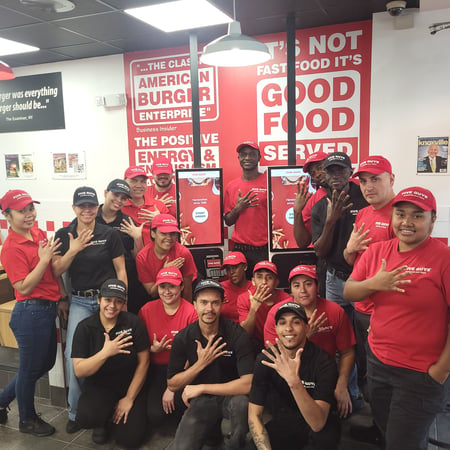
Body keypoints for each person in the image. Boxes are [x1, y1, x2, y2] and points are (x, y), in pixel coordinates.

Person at [344, 187, 450, 450]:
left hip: (420, 374)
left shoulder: (444, 258)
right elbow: (349, 290)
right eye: (400, 214)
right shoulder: (377, 251)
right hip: (379, 364)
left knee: (403, 443)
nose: (406, 222)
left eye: (417, 216)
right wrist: (375, 283)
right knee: (388, 432)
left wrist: (441, 370)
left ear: (432, 220)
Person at [52, 186, 127, 433]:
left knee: (110, 354)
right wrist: (74, 250)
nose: (87, 210)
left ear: (97, 207)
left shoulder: (109, 234)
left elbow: (121, 271)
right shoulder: (64, 234)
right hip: (80, 302)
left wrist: (122, 301)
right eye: (82, 206)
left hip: (108, 302)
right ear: (74, 208)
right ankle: (75, 413)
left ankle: (103, 412)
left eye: (91, 206)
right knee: (75, 356)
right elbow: (55, 271)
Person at [0, 190, 67, 437]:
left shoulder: (37, 233)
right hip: (30, 312)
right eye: (22, 211)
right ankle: (26, 420)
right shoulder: (10, 248)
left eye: (31, 208)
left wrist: (60, 295)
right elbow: (24, 287)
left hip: (47, 308)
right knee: (29, 370)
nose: (29, 215)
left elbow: (52, 271)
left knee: (45, 362)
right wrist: (43, 259)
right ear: (7, 215)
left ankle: (1, 400)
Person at [167, 279, 255, 450]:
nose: (209, 309)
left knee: (242, 405)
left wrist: (203, 387)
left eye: (215, 303)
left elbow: (248, 384)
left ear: (222, 304)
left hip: (232, 395)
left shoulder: (237, 334)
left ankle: (236, 445)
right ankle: (212, 435)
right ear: (194, 305)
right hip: (202, 401)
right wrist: (200, 364)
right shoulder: (184, 337)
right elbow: (172, 383)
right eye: (204, 303)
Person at [264, 265, 356, 418]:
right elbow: (273, 355)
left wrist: (342, 384)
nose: (303, 290)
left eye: (308, 284)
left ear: (318, 286)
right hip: (288, 375)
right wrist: (304, 338)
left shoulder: (335, 311)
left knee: (349, 408)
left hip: (323, 375)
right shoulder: (277, 312)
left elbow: (347, 352)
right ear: (290, 290)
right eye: (296, 285)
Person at [248, 302, 339, 450]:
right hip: (283, 421)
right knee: (253, 444)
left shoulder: (324, 362)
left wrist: (294, 382)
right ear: (276, 329)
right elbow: (254, 415)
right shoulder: (265, 359)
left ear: (307, 327)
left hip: (317, 422)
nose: (288, 328)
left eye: (296, 322)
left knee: (324, 440)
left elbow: (317, 423)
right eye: (282, 323)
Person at [72, 279, 150, 447]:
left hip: (130, 384)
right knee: (86, 418)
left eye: (118, 301)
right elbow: (79, 371)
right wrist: (105, 353)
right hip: (100, 385)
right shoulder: (85, 327)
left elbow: (144, 362)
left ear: (123, 304)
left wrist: (129, 398)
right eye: (108, 300)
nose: (112, 306)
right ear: (99, 300)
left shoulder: (133, 323)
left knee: (129, 441)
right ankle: (104, 419)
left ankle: (124, 415)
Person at [343, 156, 395, 394]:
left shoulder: (400, 215)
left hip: (384, 311)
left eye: (375, 179)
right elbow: (352, 260)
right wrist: (349, 249)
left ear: (391, 179)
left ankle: (390, 430)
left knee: (387, 375)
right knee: (370, 372)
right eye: (363, 181)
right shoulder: (363, 213)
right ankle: (378, 427)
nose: (368, 186)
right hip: (361, 306)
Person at [311, 151, 368, 319]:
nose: (336, 175)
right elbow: (320, 252)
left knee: (363, 327)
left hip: (362, 277)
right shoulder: (319, 207)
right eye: (331, 171)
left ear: (350, 172)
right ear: (325, 174)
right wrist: (331, 221)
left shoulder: (365, 198)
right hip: (334, 278)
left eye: (340, 170)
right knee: (336, 328)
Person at [138, 267, 197, 428]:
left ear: (181, 287)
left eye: (172, 286)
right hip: (156, 368)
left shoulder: (191, 312)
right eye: (162, 287)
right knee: (155, 414)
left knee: (179, 405)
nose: (167, 291)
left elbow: (194, 356)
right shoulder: (146, 310)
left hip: (182, 370)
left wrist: (172, 387)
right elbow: (137, 347)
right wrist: (152, 349)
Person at [97, 178, 148, 314]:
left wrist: (138, 238)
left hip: (126, 282)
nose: (119, 200)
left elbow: (139, 258)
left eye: (123, 198)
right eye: (116, 195)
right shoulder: (91, 219)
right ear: (106, 193)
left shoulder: (127, 222)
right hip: (97, 282)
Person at [224, 141, 268, 277]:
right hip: (240, 248)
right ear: (239, 158)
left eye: (252, 154)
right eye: (243, 155)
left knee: (263, 289)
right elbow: (228, 221)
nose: (247, 158)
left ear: (259, 157)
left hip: (265, 248)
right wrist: (238, 208)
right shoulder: (231, 186)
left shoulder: (269, 181)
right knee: (240, 290)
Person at [136, 213, 197, 301]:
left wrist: (186, 312)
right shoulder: (142, 257)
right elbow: (152, 293)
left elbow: (187, 289)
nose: (169, 238)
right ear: (153, 234)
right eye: (163, 233)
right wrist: (165, 272)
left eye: (172, 234)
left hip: (180, 295)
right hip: (157, 298)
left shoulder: (183, 253)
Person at [237, 260, 291, 351]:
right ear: (253, 281)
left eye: (269, 277)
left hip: (280, 343)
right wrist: (253, 309)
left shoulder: (286, 299)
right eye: (259, 277)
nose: (264, 282)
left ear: (276, 282)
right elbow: (245, 334)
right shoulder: (244, 298)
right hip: (253, 344)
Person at [122, 165, 168, 245]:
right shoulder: (119, 206)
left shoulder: (159, 206)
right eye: (134, 181)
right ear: (124, 181)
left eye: (143, 181)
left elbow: (170, 236)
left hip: (154, 255)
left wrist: (159, 220)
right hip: (126, 255)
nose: (139, 185)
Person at [293, 151, 328, 250]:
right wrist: (297, 212)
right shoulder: (314, 200)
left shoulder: (356, 187)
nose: (317, 175)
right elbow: (302, 243)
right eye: (312, 173)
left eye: (320, 168)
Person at [220, 251, 252, 323]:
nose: (231, 272)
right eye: (228, 269)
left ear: (245, 267)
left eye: (235, 267)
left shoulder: (255, 288)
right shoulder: (220, 288)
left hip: (248, 332)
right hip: (225, 332)